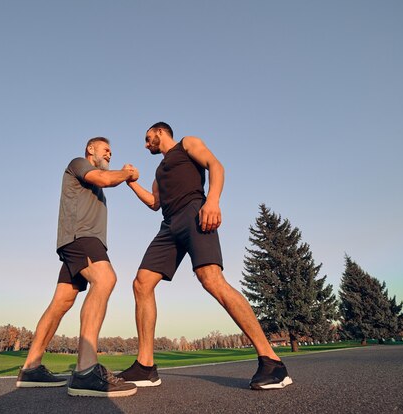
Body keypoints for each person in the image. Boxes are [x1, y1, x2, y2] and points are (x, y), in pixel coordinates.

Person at [118, 122, 293, 390]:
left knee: (211, 279)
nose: (146, 144)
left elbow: (215, 165)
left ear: (160, 132)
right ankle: (145, 366)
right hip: (169, 225)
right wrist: (131, 184)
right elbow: (155, 204)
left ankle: (272, 361)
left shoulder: (187, 144)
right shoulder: (158, 172)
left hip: (194, 212)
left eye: (147, 138)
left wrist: (212, 201)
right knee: (141, 283)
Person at [16, 137, 138, 397]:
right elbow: (105, 178)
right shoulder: (79, 164)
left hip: (78, 242)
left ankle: (31, 368)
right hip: (81, 238)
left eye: (111, 152)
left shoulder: (96, 184)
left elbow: (106, 180)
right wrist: (127, 174)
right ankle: (85, 370)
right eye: (105, 149)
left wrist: (124, 177)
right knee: (105, 280)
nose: (110, 153)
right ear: (90, 149)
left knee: (61, 302)